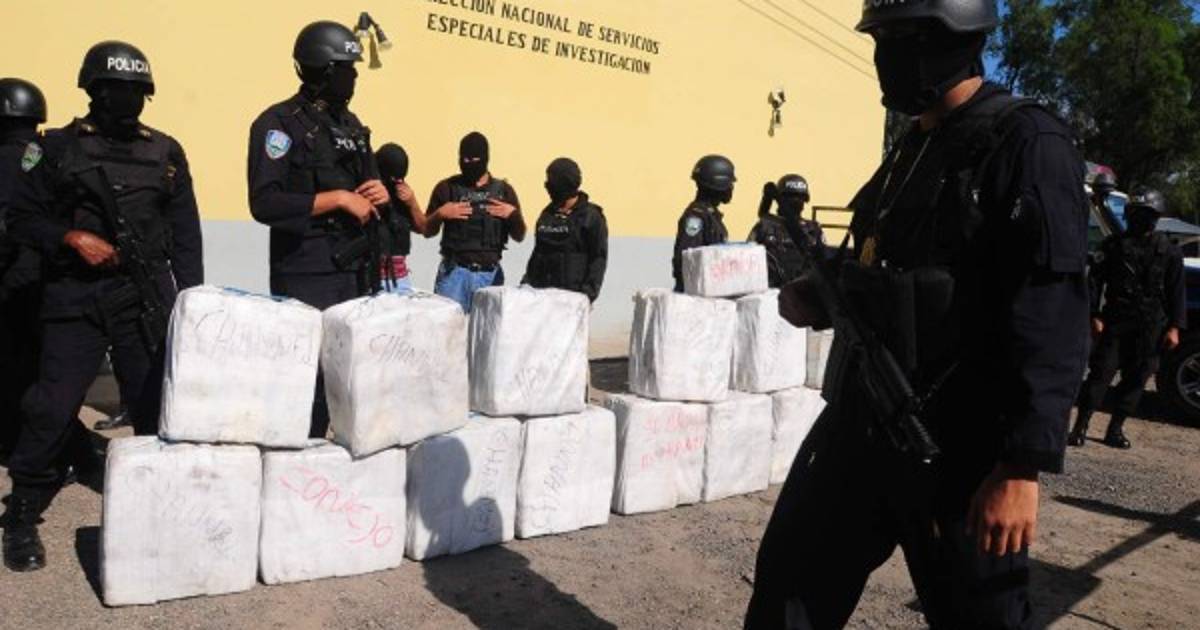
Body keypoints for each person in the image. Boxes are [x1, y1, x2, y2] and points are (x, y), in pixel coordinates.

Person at [745, 0, 1090, 627]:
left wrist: (1021, 466)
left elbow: (1049, 311)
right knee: (788, 589)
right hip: (861, 421)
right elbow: (882, 265)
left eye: (909, 37)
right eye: (882, 37)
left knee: (980, 616)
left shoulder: (1026, 142)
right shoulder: (912, 147)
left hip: (960, 448)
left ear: (962, 36)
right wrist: (818, 295)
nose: (890, 55)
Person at [2, 41, 203, 573]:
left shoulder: (166, 152)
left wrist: (192, 301)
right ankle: (22, 512)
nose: (129, 100)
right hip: (75, 294)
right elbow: (21, 219)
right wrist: (70, 237)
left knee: (152, 406)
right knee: (52, 406)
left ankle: (159, 507)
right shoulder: (54, 148)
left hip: (142, 296)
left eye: (138, 91)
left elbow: (185, 235)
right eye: (118, 90)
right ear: (94, 90)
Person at [248, 20, 388, 437]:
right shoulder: (279, 124)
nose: (354, 77)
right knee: (307, 384)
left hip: (356, 271)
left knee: (351, 379)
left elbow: (369, 187)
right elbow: (265, 202)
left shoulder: (351, 126)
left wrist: (378, 192)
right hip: (307, 273)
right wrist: (338, 199)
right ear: (325, 70)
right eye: (347, 68)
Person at [1069, 189, 1184, 449]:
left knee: (1136, 380)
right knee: (1100, 375)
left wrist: (1175, 327)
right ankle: (1080, 426)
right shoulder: (1113, 246)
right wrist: (1094, 315)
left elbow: (1177, 292)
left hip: (1151, 326)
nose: (1142, 219)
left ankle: (1115, 429)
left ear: (1156, 218)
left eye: (1147, 215)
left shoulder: (1169, 251)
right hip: (1116, 322)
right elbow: (1094, 283)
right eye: (1137, 213)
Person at [424, 131, 525, 312]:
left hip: (489, 276)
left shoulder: (504, 191)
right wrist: (440, 214)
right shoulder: (446, 188)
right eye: (464, 159)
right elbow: (426, 230)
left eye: (474, 159)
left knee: (487, 329)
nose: (468, 163)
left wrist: (513, 215)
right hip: (454, 275)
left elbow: (520, 235)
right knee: (448, 328)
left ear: (485, 158)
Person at [0, 78, 46, 461]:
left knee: (14, 368)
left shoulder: (5, 158)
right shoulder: (43, 152)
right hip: (46, 272)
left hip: (13, 273)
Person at [522, 157, 608, 302]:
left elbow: (598, 258)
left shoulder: (591, 217)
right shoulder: (547, 214)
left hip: (572, 299)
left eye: (551, 181)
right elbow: (538, 253)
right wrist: (526, 284)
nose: (547, 185)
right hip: (542, 297)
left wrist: (587, 295)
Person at [749, 174, 825, 288]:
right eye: (790, 196)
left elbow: (822, 263)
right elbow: (749, 258)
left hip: (801, 291)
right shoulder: (766, 226)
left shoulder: (813, 229)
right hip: (771, 291)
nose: (796, 200)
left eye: (800, 197)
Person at [672, 154, 734, 292]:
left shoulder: (710, 215)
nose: (731, 188)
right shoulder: (696, 217)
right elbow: (687, 259)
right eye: (730, 183)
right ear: (718, 184)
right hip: (696, 295)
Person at [375, 143, 426, 294]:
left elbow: (422, 228)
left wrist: (412, 203)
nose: (397, 182)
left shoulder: (401, 192)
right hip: (374, 277)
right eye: (393, 178)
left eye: (400, 178)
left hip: (400, 277)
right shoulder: (369, 188)